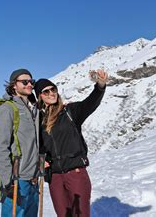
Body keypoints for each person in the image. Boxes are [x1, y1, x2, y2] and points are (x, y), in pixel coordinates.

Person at [35, 69, 108, 217]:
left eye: (53, 89)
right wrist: (41, 159)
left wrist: (100, 85)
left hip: (75, 173)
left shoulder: (70, 112)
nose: (51, 93)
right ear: (40, 97)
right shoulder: (39, 120)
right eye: (46, 92)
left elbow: (90, 103)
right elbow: (39, 146)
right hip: (54, 177)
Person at [0, 68, 39, 217]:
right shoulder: (7, 109)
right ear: (14, 85)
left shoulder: (34, 109)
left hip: (34, 178)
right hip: (17, 180)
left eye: (31, 81)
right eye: (24, 82)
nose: (29, 84)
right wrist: (7, 182)